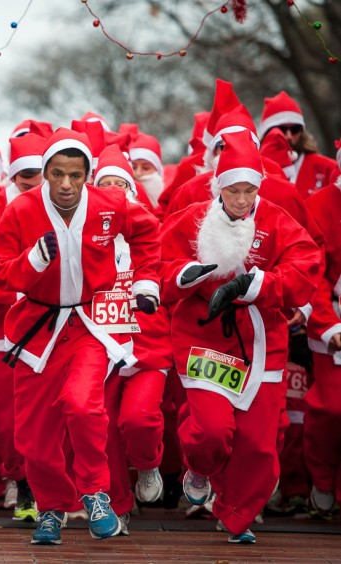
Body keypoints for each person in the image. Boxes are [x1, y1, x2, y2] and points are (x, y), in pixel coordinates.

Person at [0, 128, 162, 545]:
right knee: (33, 434)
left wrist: (146, 284)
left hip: (90, 326)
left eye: (75, 175)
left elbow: (149, 233)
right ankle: (51, 508)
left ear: (88, 175)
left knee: (83, 406)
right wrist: (32, 260)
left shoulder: (111, 203)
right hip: (37, 330)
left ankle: (96, 493)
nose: (66, 184)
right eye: (58, 174)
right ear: (45, 172)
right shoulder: (21, 210)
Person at [161, 129, 321, 544]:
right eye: (233, 190)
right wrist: (185, 276)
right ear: (219, 187)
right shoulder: (191, 218)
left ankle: (237, 515)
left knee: (259, 445)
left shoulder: (277, 220)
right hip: (203, 338)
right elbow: (159, 267)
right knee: (211, 430)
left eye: (250, 190)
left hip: (262, 343)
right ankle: (198, 465)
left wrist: (254, 286)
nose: (242, 199)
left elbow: (305, 268)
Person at [92, 145, 171, 528]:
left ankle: (147, 464)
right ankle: (118, 506)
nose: (112, 191)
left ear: (133, 192)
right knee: (101, 428)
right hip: (99, 348)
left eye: (119, 184)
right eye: (104, 184)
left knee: (139, 420)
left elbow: (165, 275)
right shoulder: (85, 236)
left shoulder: (152, 229)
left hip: (147, 348)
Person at [0, 130, 45, 522]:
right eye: (26, 178)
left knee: (42, 413)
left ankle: (34, 487)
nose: (35, 185)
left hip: (51, 328)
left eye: (42, 175)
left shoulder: (66, 206)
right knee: (5, 418)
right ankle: (16, 478)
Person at [303, 143, 341, 519]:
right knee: (331, 408)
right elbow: (313, 276)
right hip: (333, 321)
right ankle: (323, 479)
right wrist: (330, 325)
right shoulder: (320, 206)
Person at [259, 91, 339, 198]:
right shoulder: (255, 170)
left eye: (295, 129)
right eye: (281, 129)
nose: (288, 136)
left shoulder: (327, 168)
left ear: (302, 131)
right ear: (267, 133)